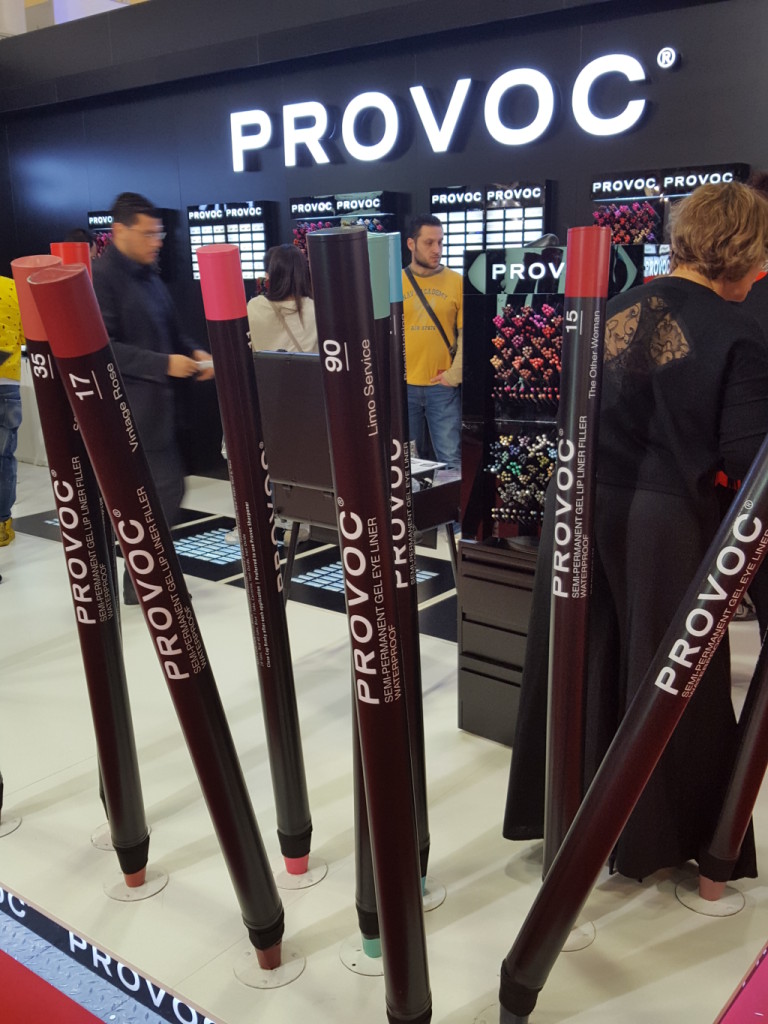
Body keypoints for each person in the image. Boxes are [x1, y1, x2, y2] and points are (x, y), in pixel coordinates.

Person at [503, 181, 768, 883]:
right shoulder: (738, 332)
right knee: (674, 681)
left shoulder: (610, 307)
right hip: (663, 522)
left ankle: (571, 821)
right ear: (743, 251)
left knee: (581, 663)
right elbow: (752, 466)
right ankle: (661, 840)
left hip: (576, 504)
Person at [92, 192, 213, 603]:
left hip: (163, 412)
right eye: (147, 234)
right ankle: (147, 582)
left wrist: (194, 352)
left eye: (158, 233)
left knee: (164, 494)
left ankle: (143, 579)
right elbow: (104, 348)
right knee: (159, 494)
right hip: (131, 414)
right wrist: (164, 364)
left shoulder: (150, 277)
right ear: (119, 231)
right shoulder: (101, 279)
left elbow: (172, 332)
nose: (156, 241)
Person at [402, 215, 463, 471]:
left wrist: (454, 375)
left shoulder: (456, 281)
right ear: (411, 244)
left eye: (440, 242)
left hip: (442, 387)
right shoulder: (395, 282)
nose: (437, 249)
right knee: (408, 462)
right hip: (404, 388)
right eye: (429, 242)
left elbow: (466, 335)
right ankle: (414, 499)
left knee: (451, 459)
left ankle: (451, 499)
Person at [247, 244, 318, 353]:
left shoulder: (254, 307)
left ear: (268, 275)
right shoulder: (316, 309)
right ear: (304, 273)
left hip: (265, 365)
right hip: (309, 365)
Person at [0, 276, 23, 548]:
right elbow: (26, 333)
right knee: (4, 458)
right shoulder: (12, 288)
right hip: (8, 383)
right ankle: (2, 525)